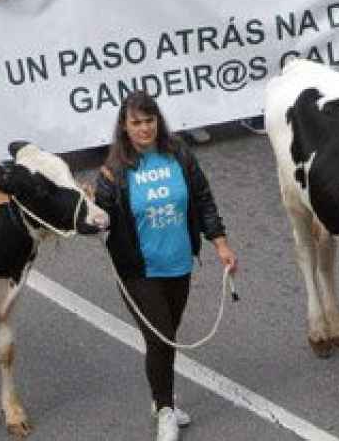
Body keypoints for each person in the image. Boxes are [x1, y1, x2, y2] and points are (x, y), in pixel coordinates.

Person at [92, 90, 236, 441]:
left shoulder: (179, 155)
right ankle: (165, 409)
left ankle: (161, 399)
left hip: (179, 264)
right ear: (124, 128)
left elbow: (203, 199)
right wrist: (91, 210)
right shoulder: (113, 172)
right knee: (162, 339)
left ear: (158, 121)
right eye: (136, 123)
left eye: (149, 120)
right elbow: (102, 221)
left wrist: (220, 244)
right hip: (138, 271)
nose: (144, 129)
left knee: (166, 338)